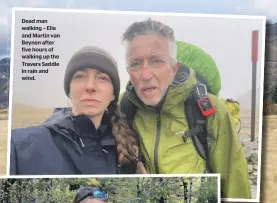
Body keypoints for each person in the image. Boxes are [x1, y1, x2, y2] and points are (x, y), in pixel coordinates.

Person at [119, 18, 251, 199]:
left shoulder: (210, 109)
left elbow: (235, 183)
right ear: (128, 70)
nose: (146, 75)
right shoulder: (123, 108)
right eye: (135, 64)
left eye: (156, 61)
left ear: (174, 67)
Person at [10, 46, 146, 175]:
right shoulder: (20, 146)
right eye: (80, 76)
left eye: (102, 78)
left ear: (113, 95)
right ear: (69, 90)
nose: (90, 86)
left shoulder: (130, 145)